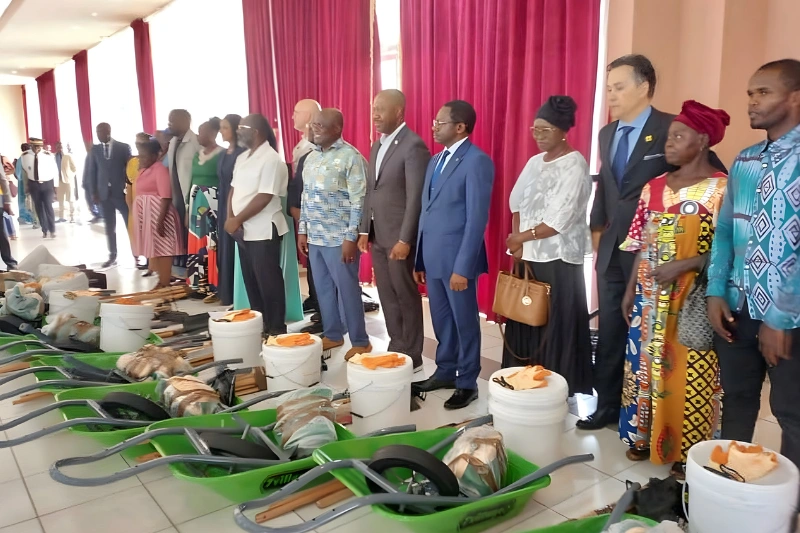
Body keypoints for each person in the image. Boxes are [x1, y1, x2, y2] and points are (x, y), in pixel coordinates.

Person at [619, 100, 730, 474]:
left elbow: (732, 248)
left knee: (691, 372)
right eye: (669, 136)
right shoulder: (652, 187)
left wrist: (686, 264)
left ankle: (688, 452)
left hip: (693, 301)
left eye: (679, 136)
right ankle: (644, 436)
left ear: (702, 141)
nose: (669, 143)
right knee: (645, 367)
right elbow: (641, 244)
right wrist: (630, 290)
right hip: (649, 300)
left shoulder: (722, 190)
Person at [707, 59, 800, 480]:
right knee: (738, 399)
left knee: (791, 413)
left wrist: (778, 317)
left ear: (794, 98)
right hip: (738, 308)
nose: (752, 101)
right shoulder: (745, 160)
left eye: (763, 92)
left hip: (790, 320)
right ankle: (732, 485)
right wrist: (715, 290)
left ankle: (790, 504)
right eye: (750, 93)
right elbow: (725, 230)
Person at [580, 55, 676, 430]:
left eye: (619, 88)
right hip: (612, 249)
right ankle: (607, 406)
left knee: (650, 332)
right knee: (610, 331)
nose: (611, 96)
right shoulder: (607, 133)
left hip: (654, 252)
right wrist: (596, 233)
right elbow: (607, 187)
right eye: (608, 88)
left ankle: (646, 414)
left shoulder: (670, 127)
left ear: (644, 87)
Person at [504, 96, 593, 395]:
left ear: (563, 131)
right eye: (535, 129)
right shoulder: (533, 162)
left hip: (558, 259)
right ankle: (523, 383)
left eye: (546, 130)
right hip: (529, 256)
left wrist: (520, 238)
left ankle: (553, 390)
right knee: (525, 318)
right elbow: (516, 203)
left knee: (554, 326)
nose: (538, 136)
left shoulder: (575, 165)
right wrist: (518, 243)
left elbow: (559, 220)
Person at [412, 100, 494, 410]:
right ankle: (445, 371)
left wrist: (463, 267)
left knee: (464, 322)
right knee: (441, 319)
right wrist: (420, 258)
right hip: (433, 257)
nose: (434, 127)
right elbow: (427, 212)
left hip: (458, 261)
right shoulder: (435, 161)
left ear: (460, 127)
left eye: (440, 122)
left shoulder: (476, 161)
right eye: (434, 121)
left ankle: (467, 382)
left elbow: (476, 219)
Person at [358, 89, 431, 369]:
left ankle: (412, 354)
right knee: (387, 295)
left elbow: (416, 198)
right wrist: (365, 230)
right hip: (378, 234)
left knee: (405, 295)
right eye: (373, 108)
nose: (375, 114)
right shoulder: (377, 145)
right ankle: (396, 345)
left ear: (399, 112)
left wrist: (406, 238)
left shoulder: (413, 145)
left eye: (381, 109)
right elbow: (371, 191)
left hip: (399, 237)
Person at [297, 109, 371, 357]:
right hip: (315, 236)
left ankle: (360, 341)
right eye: (313, 124)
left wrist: (351, 237)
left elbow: (360, 201)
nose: (314, 129)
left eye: (320, 125)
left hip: (339, 238)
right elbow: (305, 197)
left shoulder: (352, 157)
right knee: (323, 289)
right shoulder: (310, 158)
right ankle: (333, 334)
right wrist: (302, 230)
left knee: (347, 290)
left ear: (337, 129)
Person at [225, 114, 288, 336]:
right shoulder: (243, 157)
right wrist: (231, 218)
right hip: (243, 230)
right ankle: (261, 324)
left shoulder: (271, 159)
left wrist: (237, 220)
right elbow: (233, 190)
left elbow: (265, 196)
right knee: (251, 281)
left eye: (242, 127)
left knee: (268, 282)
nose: (237, 130)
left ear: (256, 132)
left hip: (263, 228)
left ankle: (277, 328)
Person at [132, 137, 183, 288]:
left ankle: (165, 283)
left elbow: (166, 196)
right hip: (148, 215)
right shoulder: (144, 169)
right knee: (157, 250)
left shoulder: (160, 169)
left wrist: (160, 220)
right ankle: (162, 280)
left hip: (159, 214)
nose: (141, 158)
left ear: (154, 156)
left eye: (144, 156)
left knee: (164, 249)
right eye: (140, 155)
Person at [291, 99, 322, 316]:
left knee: (318, 264)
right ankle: (314, 297)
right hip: (302, 208)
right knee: (311, 261)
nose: (293, 116)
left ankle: (322, 306)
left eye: (297, 112)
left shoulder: (313, 149)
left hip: (316, 214)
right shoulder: (302, 145)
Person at [187, 118, 223, 302]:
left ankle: (214, 285)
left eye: (202, 132)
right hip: (195, 204)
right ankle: (198, 285)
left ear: (213, 134)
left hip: (213, 205)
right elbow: (191, 181)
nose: (198, 136)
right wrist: (188, 206)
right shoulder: (196, 155)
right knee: (197, 243)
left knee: (212, 244)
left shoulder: (221, 154)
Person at [87, 123, 132, 268]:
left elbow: (130, 169)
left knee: (130, 224)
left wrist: (129, 188)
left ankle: (137, 254)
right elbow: (92, 171)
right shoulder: (95, 150)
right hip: (104, 195)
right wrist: (94, 192)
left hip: (121, 193)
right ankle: (112, 255)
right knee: (109, 227)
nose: (98, 135)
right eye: (96, 132)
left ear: (108, 131)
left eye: (100, 132)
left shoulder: (123, 147)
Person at [216, 114, 245, 307]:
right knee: (224, 248)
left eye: (225, 127)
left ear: (235, 129)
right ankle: (226, 292)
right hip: (222, 203)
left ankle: (239, 294)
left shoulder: (242, 153)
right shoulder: (223, 153)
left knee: (235, 247)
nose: (221, 131)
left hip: (236, 204)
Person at [167, 109, 201, 268]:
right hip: (175, 191)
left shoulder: (195, 142)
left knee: (189, 227)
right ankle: (180, 257)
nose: (169, 124)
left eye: (172, 121)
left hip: (190, 193)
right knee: (177, 227)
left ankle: (189, 259)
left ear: (185, 121)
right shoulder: (173, 142)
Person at [126, 133, 155, 275]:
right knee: (137, 232)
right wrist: (130, 205)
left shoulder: (153, 162)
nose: (139, 146)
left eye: (142, 143)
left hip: (149, 202)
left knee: (150, 232)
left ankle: (152, 263)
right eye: (137, 143)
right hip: (135, 201)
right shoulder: (132, 162)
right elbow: (129, 184)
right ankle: (140, 258)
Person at [20, 138, 58, 239]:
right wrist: (27, 185)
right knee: (39, 208)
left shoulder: (48, 155)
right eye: (35, 146)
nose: (37, 148)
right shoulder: (25, 156)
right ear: (31, 146)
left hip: (47, 184)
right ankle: (44, 230)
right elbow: (25, 170)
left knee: (48, 206)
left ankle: (52, 230)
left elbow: (55, 171)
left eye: (39, 146)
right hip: (34, 184)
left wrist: (56, 186)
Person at [55, 142, 77, 223]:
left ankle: (72, 217)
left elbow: (74, 168)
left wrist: (70, 176)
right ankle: (62, 217)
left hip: (68, 181)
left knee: (70, 199)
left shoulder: (68, 156)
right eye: (58, 147)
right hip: (58, 181)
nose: (59, 148)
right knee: (60, 200)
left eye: (60, 147)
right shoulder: (54, 157)